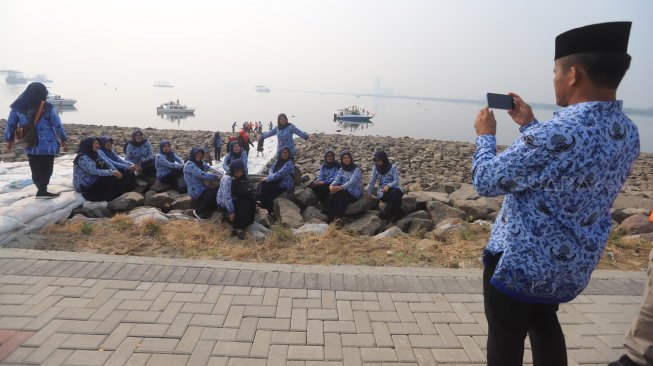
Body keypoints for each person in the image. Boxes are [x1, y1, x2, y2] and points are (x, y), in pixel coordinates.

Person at [472, 22, 639, 365]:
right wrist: (529, 125)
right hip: (568, 263)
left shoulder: (556, 133)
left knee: (506, 338)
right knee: (545, 325)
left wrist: (485, 136)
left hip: (520, 263)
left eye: (555, 71)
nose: (554, 79)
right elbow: (566, 169)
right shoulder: (628, 132)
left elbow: (487, 180)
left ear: (573, 74)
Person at [4, 82, 68, 199]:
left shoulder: (17, 107)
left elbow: (10, 124)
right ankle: (42, 190)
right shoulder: (47, 107)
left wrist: (9, 140)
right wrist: (63, 139)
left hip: (30, 143)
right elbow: (57, 124)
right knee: (47, 167)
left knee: (35, 167)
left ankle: (40, 189)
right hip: (47, 145)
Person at [73, 137, 125, 202]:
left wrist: (115, 170)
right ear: (88, 144)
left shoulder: (96, 153)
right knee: (110, 178)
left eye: (98, 144)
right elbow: (93, 171)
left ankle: (118, 196)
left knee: (116, 175)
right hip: (84, 184)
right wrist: (112, 172)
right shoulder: (82, 157)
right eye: (94, 144)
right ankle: (99, 197)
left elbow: (106, 162)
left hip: (93, 179)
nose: (97, 146)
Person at [216, 159, 256, 240]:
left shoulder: (236, 177)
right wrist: (231, 212)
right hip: (223, 201)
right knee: (245, 204)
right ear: (233, 170)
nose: (239, 173)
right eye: (236, 171)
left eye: (240, 171)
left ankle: (247, 221)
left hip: (233, 197)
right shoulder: (227, 178)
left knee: (251, 201)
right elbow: (227, 197)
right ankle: (238, 227)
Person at [184, 147, 221, 220]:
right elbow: (201, 174)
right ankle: (198, 212)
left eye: (200, 154)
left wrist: (221, 174)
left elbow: (209, 168)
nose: (199, 155)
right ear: (193, 154)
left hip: (202, 187)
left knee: (218, 189)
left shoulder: (200, 162)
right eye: (197, 154)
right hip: (195, 191)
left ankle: (212, 209)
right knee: (213, 194)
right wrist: (216, 177)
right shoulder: (189, 164)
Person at [366, 151, 404, 222]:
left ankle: (391, 214)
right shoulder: (375, 168)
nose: (378, 162)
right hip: (382, 191)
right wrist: (368, 192)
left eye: (379, 160)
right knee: (395, 195)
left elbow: (396, 180)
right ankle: (396, 214)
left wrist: (388, 186)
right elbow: (372, 181)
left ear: (384, 159)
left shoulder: (392, 167)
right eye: (376, 161)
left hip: (394, 188)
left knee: (396, 193)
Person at [326, 151, 362, 223]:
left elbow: (352, 182)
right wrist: (331, 186)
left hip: (354, 192)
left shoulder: (356, 169)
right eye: (344, 158)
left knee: (341, 197)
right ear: (342, 160)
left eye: (347, 158)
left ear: (350, 159)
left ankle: (338, 217)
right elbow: (337, 179)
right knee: (332, 193)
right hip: (344, 189)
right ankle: (329, 214)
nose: (346, 160)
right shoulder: (342, 169)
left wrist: (340, 188)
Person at [256, 146, 295, 213]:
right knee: (263, 183)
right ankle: (259, 201)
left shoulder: (289, 163)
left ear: (289, 154)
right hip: (276, 179)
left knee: (265, 185)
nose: (285, 154)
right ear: (280, 153)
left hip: (284, 183)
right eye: (283, 152)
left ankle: (266, 205)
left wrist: (268, 178)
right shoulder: (278, 160)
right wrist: (270, 176)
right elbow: (271, 169)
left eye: (287, 153)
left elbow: (280, 174)